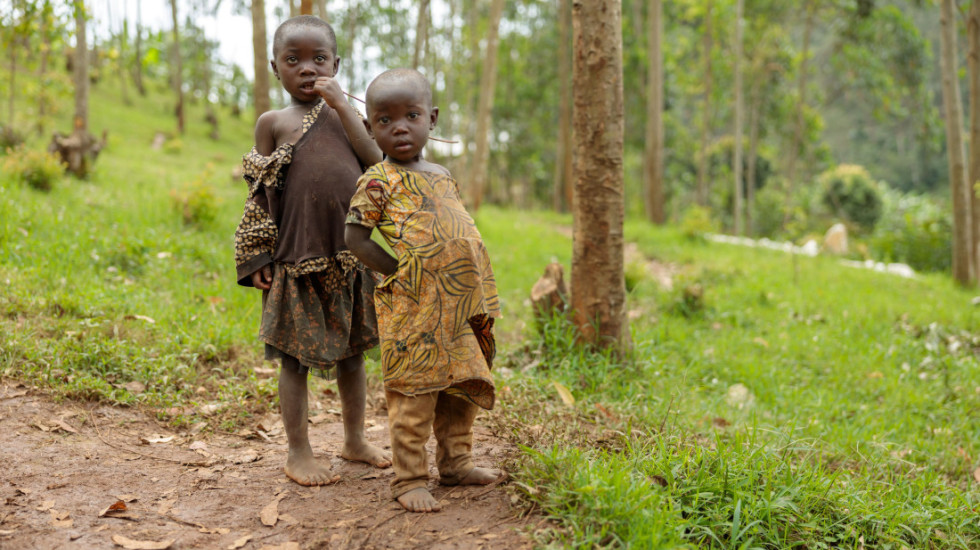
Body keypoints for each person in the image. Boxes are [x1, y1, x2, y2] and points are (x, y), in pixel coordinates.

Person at [234, 15, 391, 486]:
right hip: (294, 258)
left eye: (318, 59)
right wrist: (256, 256)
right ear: (275, 67)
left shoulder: (348, 118)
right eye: (293, 59)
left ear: (337, 64)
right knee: (293, 359)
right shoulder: (273, 123)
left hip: (349, 256)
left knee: (353, 354)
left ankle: (354, 439)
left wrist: (343, 107)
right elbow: (259, 195)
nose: (307, 68)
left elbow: (376, 161)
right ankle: (298, 450)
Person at [344, 68, 504, 513]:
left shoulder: (442, 173)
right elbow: (355, 239)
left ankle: (457, 463)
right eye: (384, 120)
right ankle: (410, 478)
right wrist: (400, 273)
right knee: (414, 395)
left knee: (460, 390)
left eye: (410, 115)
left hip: (461, 308)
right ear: (371, 127)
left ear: (431, 119)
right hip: (414, 309)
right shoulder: (377, 179)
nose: (399, 126)